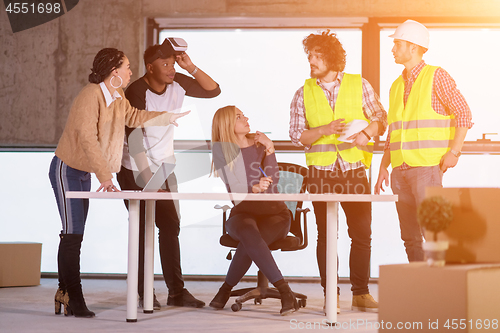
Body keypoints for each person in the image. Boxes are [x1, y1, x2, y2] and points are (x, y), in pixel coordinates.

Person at [48, 48, 189, 318]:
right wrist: (105, 176)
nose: (130, 72)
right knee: (72, 234)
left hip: (84, 172)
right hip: (67, 170)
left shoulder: (117, 97)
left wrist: (166, 117)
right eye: (126, 67)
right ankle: (73, 298)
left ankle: (64, 293)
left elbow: (134, 117)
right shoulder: (90, 96)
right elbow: (87, 139)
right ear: (114, 72)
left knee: (74, 234)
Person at [116, 38, 221, 309]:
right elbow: (135, 136)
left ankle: (176, 292)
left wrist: (191, 66)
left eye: (173, 63)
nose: (171, 68)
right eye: (165, 64)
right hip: (135, 168)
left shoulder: (178, 83)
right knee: (141, 229)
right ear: (150, 67)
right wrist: (148, 180)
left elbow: (213, 91)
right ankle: (143, 292)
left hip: (164, 167)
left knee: (170, 226)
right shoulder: (137, 90)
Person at [289, 30, 387, 313]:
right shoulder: (303, 92)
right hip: (321, 173)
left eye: (316, 54)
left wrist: (366, 134)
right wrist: (324, 130)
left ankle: (361, 293)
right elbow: (297, 136)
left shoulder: (359, 84)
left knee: (361, 233)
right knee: (326, 234)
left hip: (354, 170)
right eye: (310, 55)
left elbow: (380, 116)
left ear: (331, 57)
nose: (311, 60)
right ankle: (330, 293)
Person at [374, 20, 473, 261]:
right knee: (409, 236)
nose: (392, 49)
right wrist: (383, 167)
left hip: (427, 169)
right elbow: (394, 132)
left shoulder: (436, 76)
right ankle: (421, 288)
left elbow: (464, 113)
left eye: (397, 44)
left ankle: (441, 289)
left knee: (434, 233)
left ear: (414, 47)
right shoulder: (396, 85)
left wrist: (455, 152)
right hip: (400, 171)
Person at [209, 105, 299, 316]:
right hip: (243, 213)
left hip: (275, 214)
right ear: (227, 125)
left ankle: (225, 290)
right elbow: (233, 190)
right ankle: (286, 292)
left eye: (243, 114)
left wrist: (270, 149)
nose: (246, 118)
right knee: (249, 233)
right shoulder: (222, 152)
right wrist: (253, 188)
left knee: (251, 241)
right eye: (239, 117)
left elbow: (273, 183)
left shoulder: (260, 144)